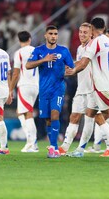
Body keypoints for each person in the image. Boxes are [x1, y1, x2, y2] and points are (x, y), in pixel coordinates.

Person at [66, 17, 109, 158]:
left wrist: (72, 71)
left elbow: (84, 63)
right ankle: (80, 149)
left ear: (92, 28)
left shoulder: (95, 42)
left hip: (100, 86)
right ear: (104, 28)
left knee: (105, 117)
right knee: (90, 115)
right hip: (102, 85)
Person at [26, 25, 74, 158]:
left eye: (55, 34)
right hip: (43, 90)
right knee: (47, 120)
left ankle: (54, 147)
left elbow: (72, 68)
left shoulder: (63, 51)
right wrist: (44, 60)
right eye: (51, 34)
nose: (53, 36)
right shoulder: (39, 50)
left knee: (55, 115)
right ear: (45, 36)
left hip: (58, 89)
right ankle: (52, 144)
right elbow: (28, 65)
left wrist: (68, 72)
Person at [58, 23, 94, 155]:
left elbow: (83, 65)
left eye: (85, 32)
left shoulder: (93, 47)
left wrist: (70, 69)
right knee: (74, 116)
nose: (82, 34)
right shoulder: (79, 48)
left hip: (93, 89)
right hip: (81, 88)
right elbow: (79, 65)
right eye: (80, 32)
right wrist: (69, 68)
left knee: (101, 120)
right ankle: (65, 146)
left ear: (91, 34)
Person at [9, 31, 39, 153]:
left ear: (19, 40)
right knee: (20, 113)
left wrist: (10, 89)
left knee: (27, 113)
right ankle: (32, 141)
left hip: (25, 85)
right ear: (30, 39)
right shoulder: (37, 51)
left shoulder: (19, 53)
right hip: (35, 85)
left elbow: (16, 73)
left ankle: (32, 144)